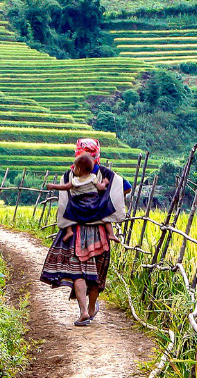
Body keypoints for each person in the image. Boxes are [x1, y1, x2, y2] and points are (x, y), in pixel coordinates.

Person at [39, 138, 131, 326]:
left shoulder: (71, 175)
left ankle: (83, 311)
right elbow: (125, 189)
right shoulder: (108, 175)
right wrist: (103, 203)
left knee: (79, 272)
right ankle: (91, 308)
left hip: (78, 231)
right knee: (97, 273)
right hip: (101, 232)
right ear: (98, 156)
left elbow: (64, 201)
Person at [46, 151, 119, 243]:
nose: (73, 169)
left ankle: (69, 231)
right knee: (104, 213)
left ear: (79, 170)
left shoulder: (75, 180)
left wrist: (53, 186)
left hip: (79, 203)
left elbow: (65, 187)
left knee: (67, 211)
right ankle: (111, 234)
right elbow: (101, 187)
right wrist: (105, 182)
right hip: (94, 202)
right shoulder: (93, 177)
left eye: (75, 167)